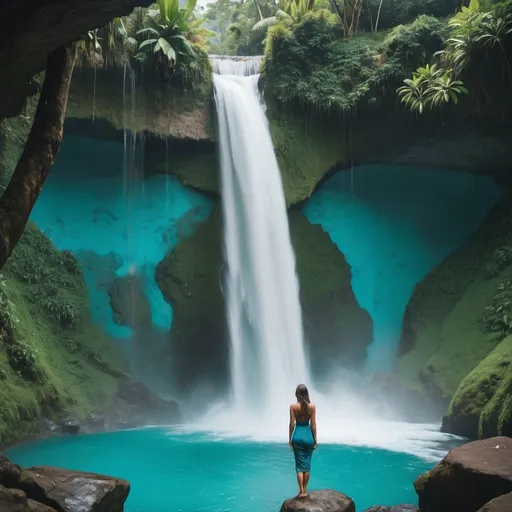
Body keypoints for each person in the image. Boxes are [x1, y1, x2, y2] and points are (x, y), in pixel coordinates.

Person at [289, 384, 317, 498]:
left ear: (297, 394)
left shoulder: (293, 407)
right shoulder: (312, 407)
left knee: (299, 467)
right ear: (307, 394)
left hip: (297, 435)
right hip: (308, 436)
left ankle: (301, 491)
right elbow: (313, 424)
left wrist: (290, 439)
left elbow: (291, 424)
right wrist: (315, 440)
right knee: (307, 466)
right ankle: (305, 490)